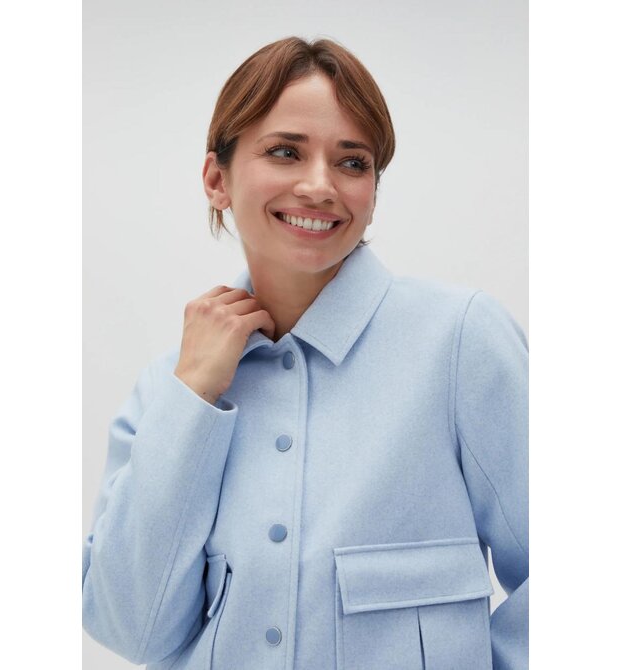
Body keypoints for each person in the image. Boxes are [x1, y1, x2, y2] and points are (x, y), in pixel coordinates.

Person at [82, 36, 528, 670]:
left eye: (353, 162)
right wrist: (191, 400)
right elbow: (130, 629)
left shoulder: (460, 343)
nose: (320, 186)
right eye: (285, 152)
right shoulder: (166, 391)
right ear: (216, 179)